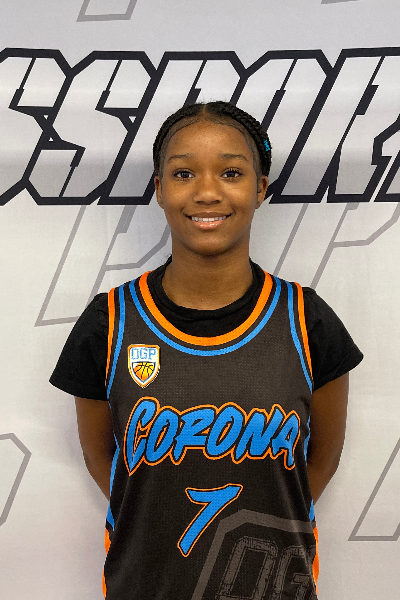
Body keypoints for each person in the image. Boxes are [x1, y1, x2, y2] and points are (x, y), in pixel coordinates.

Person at [50, 101, 363, 600]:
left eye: (231, 172)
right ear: (159, 189)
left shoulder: (307, 320)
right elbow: (102, 459)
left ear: (260, 188)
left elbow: (320, 462)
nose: (207, 191)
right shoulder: (109, 322)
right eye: (184, 173)